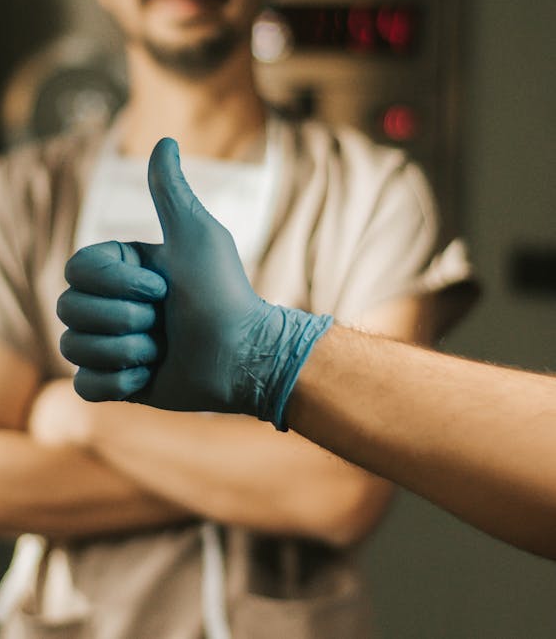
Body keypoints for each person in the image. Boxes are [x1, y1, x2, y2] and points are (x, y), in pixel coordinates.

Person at [0, 0, 477, 638]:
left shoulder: (372, 194)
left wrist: (71, 418)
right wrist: (259, 465)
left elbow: (344, 490)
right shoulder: (21, 195)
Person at [58, 138, 555, 562]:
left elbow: (338, 494)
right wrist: (267, 483)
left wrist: (86, 425)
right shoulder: (35, 183)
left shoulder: (367, 185)